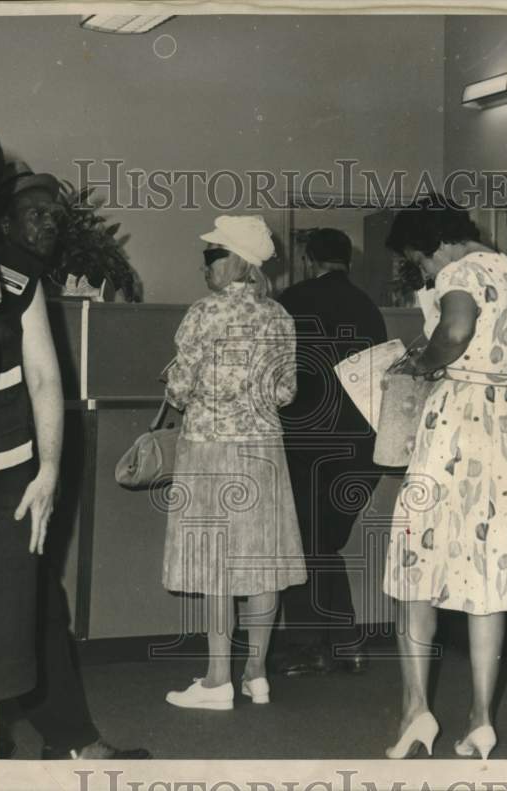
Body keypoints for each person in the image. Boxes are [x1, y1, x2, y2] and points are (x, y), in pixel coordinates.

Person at [0, 130, 151, 760]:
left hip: (1, 486)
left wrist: (48, 471)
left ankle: (50, 745)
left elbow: (44, 376)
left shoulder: (14, 274)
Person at [381, 199, 507, 760]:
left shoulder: (458, 272)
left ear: (434, 245)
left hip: (458, 422)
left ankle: (415, 711)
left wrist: (420, 364)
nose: (425, 272)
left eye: (419, 260)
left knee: (418, 563)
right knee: (490, 577)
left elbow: (455, 331)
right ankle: (481, 719)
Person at [162, 215, 307, 710]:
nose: (205, 265)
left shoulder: (204, 313)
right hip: (264, 449)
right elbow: (286, 391)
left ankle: (216, 680)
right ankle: (256, 675)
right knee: (262, 565)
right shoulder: (279, 316)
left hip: (210, 447)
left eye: (213, 256)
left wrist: (185, 387)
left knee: (216, 565)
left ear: (238, 261)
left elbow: (180, 387)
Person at [272, 228, 388, 676]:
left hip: (307, 438)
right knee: (322, 543)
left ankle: (312, 646)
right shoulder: (368, 307)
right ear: (348, 261)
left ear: (308, 258)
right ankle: (346, 642)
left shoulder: (292, 300)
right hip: (360, 444)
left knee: (305, 542)